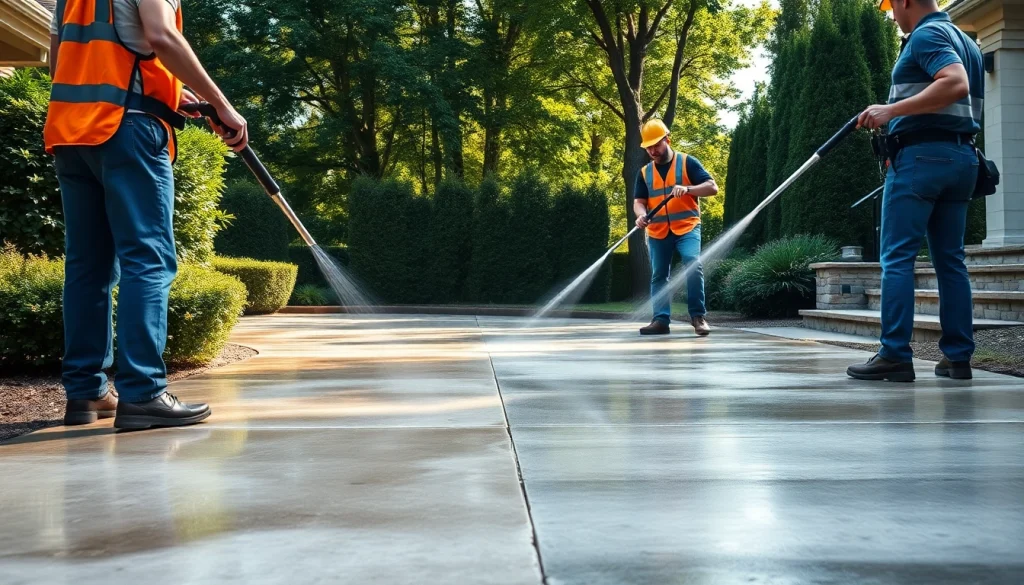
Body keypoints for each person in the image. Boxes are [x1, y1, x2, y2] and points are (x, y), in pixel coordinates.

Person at [45, 0, 249, 428]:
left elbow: (60, 62)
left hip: (70, 134)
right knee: (148, 260)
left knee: (87, 267)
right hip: (128, 129)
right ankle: (143, 392)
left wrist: (171, 92)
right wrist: (222, 104)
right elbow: (161, 35)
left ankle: (85, 392)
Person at [847, 0, 984, 382]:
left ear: (906, 1)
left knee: (897, 258)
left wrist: (891, 111)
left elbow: (954, 83)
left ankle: (894, 354)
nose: (892, 15)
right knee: (950, 261)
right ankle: (958, 358)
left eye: (892, 6)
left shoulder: (927, 34)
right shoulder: (967, 42)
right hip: (962, 158)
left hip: (922, 159)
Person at [633, 119, 719, 336]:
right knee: (659, 275)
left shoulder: (687, 162)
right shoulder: (644, 172)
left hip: (687, 227)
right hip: (658, 231)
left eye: (656, 145)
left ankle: (698, 317)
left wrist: (688, 189)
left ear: (667, 140)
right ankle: (660, 321)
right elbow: (639, 202)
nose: (653, 150)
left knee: (692, 263)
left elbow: (712, 187)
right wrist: (641, 215)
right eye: (649, 147)